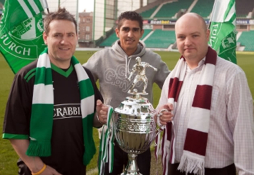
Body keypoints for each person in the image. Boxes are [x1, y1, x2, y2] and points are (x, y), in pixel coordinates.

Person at [2, 8, 107, 175]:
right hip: (37, 170)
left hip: (76, 167)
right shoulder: (27, 77)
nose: (64, 41)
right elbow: (15, 132)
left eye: (70, 35)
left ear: (76, 38)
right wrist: (39, 168)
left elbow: (93, 120)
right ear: (45, 38)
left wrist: (100, 118)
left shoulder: (85, 76)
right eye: (57, 35)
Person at [156, 13, 254, 175]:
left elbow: (243, 132)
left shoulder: (231, 75)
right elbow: (159, 116)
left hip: (216, 170)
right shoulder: (173, 77)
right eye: (181, 37)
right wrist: (160, 116)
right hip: (176, 166)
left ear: (207, 34)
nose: (187, 42)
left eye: (194, 35)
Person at [83, 11, 170, 175]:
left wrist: (162, 110)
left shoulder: (154, 60)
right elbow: (80, 81)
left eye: (135, 30)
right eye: (125, 29)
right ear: (117, 32)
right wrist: (95, 111)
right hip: (110, 138)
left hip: (141, 138)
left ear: (141, 33)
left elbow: (173, 85)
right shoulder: (101, 58)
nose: (130, 34)